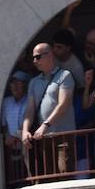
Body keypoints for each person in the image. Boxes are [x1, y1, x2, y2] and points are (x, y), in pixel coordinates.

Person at [21, 42, 77, 177]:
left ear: (50, 55)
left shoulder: (65, 75)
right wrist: (25, 131)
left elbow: (63, 104)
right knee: (48, 178)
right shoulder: (34, 82)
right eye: (33, 58)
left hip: (63, 136)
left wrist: (45, 125)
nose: (35, 61)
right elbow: (30, 109)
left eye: (38, 57)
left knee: (65, 175)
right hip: (44, 138)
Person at [1, 71, 32, 174]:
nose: (15, 86)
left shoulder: (29, 100)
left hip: (26, 144)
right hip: (10, 146)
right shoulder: (6, 102)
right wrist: (7, 137)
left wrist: (15, 137)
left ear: (25, 84)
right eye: (12, 83)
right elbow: (4, 123)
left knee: (28, 172)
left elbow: (29, 118)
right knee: (13, 173)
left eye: (18, 83)